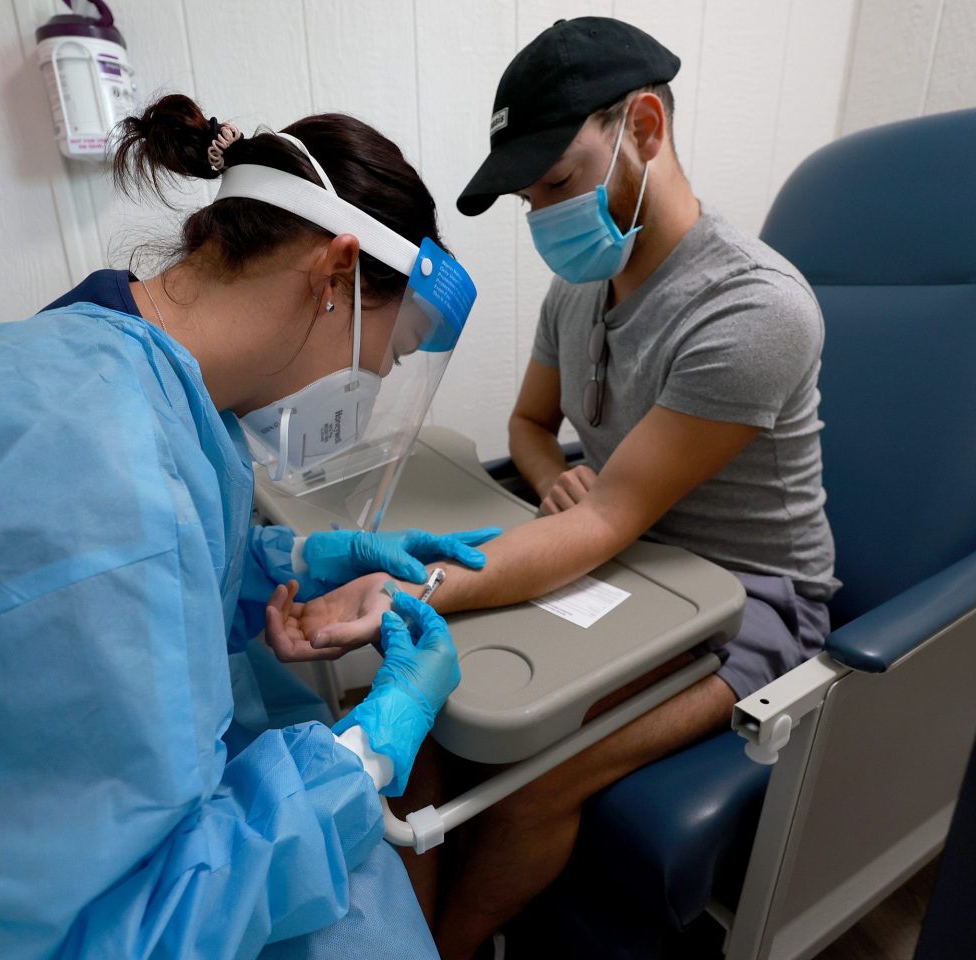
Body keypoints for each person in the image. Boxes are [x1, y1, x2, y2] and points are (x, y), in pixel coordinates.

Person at [0, 93, 489, 960]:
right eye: (382, 358)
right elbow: (111, 936)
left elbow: (51, 595)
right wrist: (366, 757)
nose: (371, 388)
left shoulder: (78, 357)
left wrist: (292, 559)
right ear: (334, 273)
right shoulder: (109, 482)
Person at [267, 18, 838, 959]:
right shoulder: (580, 292)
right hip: (625, 567)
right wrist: (552, 474)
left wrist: (408, 584)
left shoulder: (753, 310)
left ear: (644, 127)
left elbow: (613, 515)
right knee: (410, 724)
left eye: (560, 183)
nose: (545, 218)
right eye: (531, 197)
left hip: (750, 604)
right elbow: (532, 430)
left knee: (534, 776)